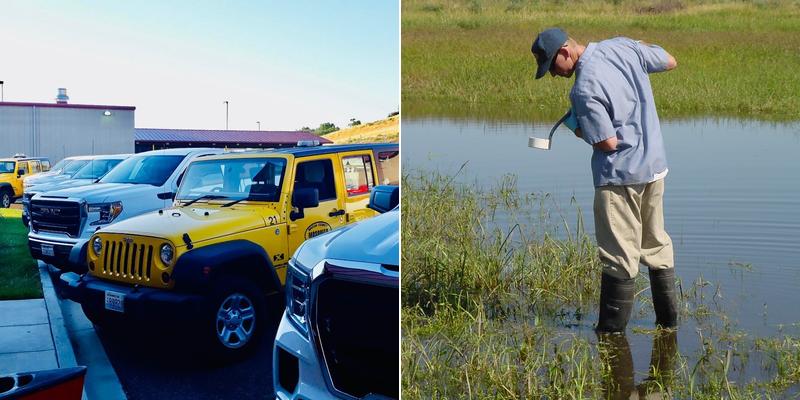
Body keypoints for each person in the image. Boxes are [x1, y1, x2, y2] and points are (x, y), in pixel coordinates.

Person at [531, 28, 679, 333]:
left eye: (551, 68)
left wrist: (576, 126)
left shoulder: (583, 89)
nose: (554, 76)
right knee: (655, 244)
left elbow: (608, 143)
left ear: (564, 53)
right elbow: (669, 60)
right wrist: (637, 46)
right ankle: (669, 325)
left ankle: (610, 337)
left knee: (619, 257)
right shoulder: (623, 47)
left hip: (619, 178)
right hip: (654, 168)